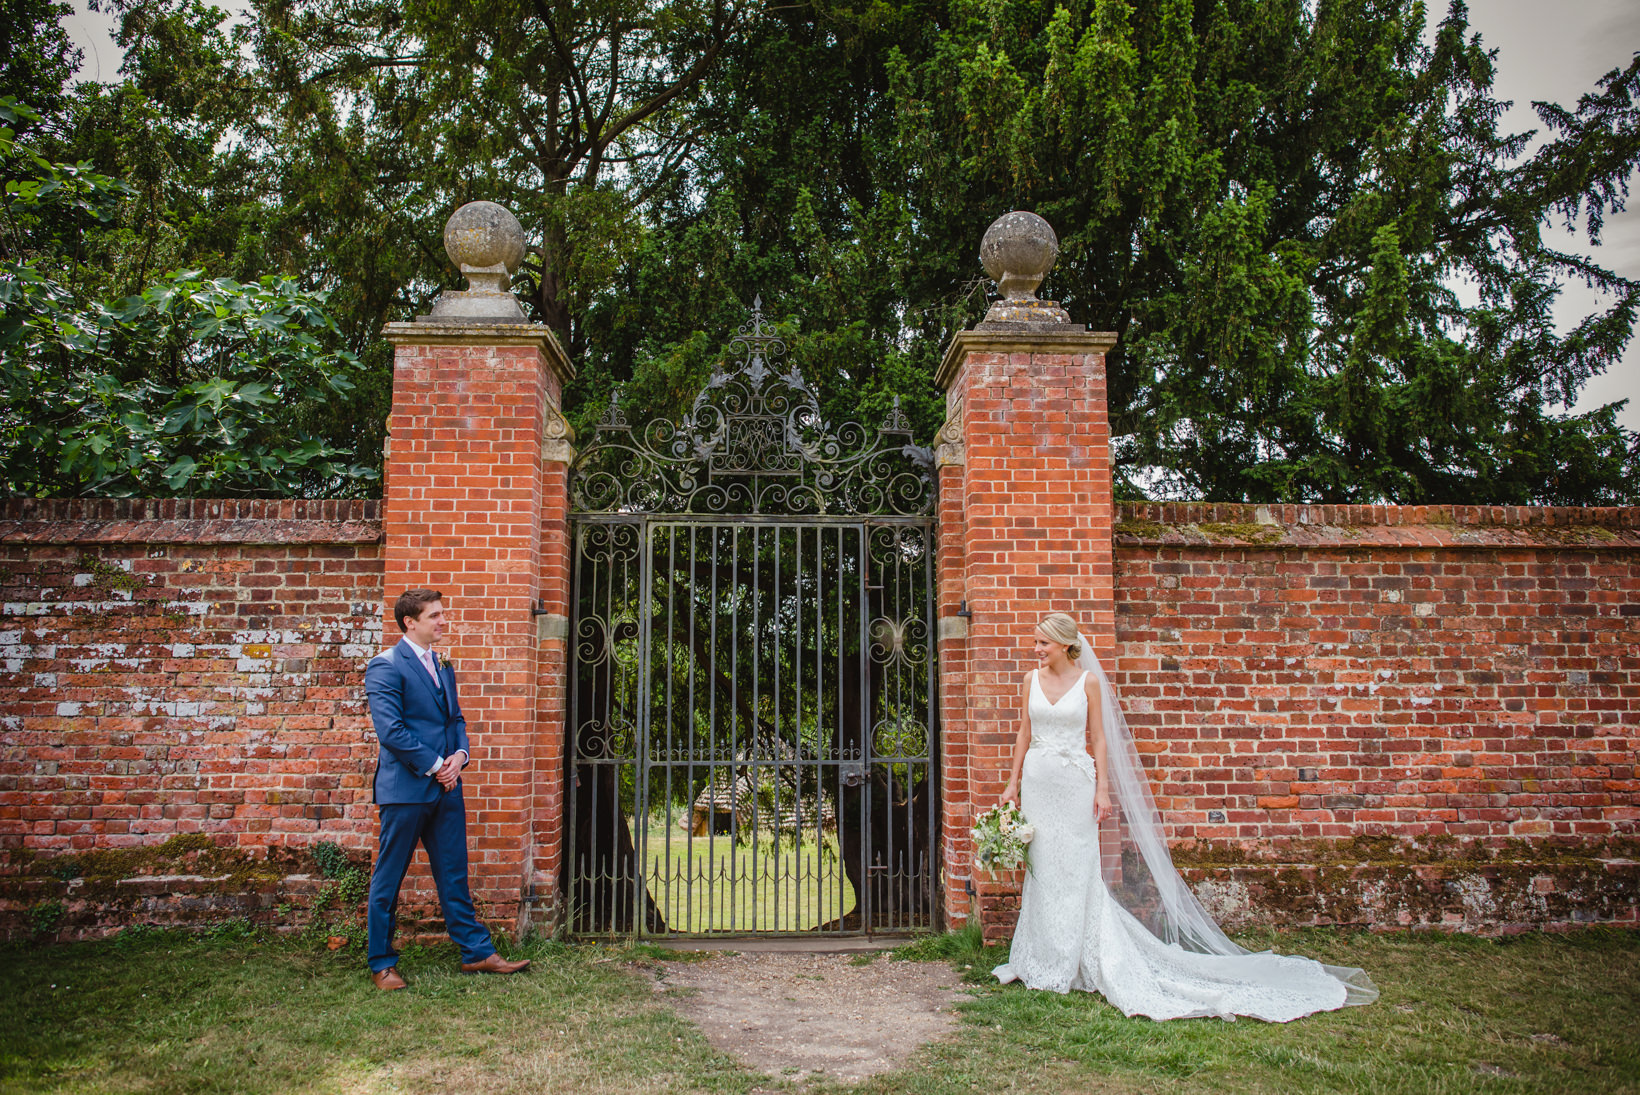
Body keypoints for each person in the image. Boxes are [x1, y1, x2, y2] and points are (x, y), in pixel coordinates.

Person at [992, 611, 1377, 1021]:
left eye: (1043, 644)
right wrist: (1011, 783)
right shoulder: (1030, 680)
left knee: (1075, 872)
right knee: (1043, 869)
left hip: (1074, 788)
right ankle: (1039, 958)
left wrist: (1103, 789)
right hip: (1038, 784)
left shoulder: (1087, 682)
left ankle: (1073, 961)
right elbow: (1023, 733)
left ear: (1066, 646)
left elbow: (1099, 739)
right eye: (1035, 642)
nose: (1035, 650)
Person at [363, 589, 530, 990]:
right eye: (434, 616)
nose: (442, 621)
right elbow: (392, 733)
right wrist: (438, 767)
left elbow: (455, 718)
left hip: (447, 789)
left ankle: (476, 953)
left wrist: (459, 756)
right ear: (411, 623)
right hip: (405, 792)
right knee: (389, 879)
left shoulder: (442, 665)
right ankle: (382, 963)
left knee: (455, 875)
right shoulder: (385, 667)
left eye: (442, 614)